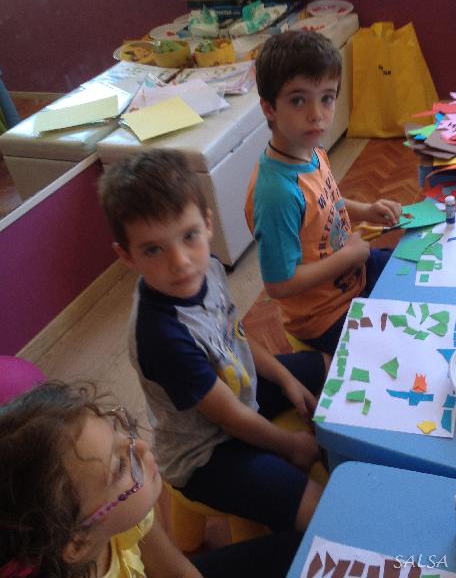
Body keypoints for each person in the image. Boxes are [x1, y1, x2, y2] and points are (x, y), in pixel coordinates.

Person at [98, 149, 327, 537]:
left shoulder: (210, 268)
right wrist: (291, 446)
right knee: (316, 509)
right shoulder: (161, 335)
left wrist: (286, 379)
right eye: (153, 249)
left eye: (188, 236)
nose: (181, 262)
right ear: (127, 256)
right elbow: (230, 419)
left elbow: (234, 336)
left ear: (207, 224)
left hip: (238, 394)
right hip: (205, 454)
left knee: (326, 366)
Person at [0, 382, 302, 578]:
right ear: (78, 543)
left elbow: (178, 572)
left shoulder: (125, 515)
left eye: (119, 431)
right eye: (120, 466)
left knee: (302, 548)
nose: (142, 447)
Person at [245, 30, 402, 356]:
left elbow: (327, 203)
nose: (317, 114)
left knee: (412, 270)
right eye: (298, 100)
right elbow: (279, 284)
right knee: (395, 349)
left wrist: (366, 210)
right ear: (269, 108)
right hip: (323, 317)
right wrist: (346, 257)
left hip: (352, 273)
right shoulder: (276, 195)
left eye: (327, 98)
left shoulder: (312, 151)